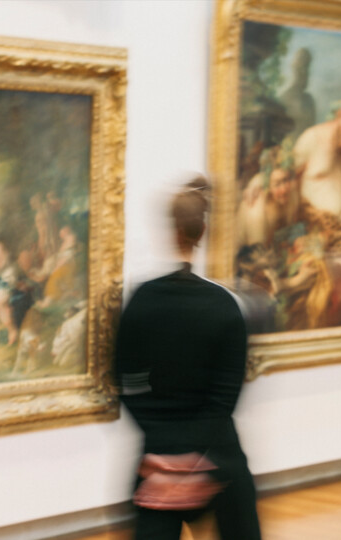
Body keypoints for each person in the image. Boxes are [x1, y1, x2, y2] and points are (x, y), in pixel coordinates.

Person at [115, 177, 261, 540]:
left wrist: (167, 452)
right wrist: (193, 457)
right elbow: (224, 399)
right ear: (203, 231)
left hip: (157, 455)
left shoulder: (142, 301)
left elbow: (127, 383)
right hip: (216, 456)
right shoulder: (225, 307)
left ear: (171, 230)